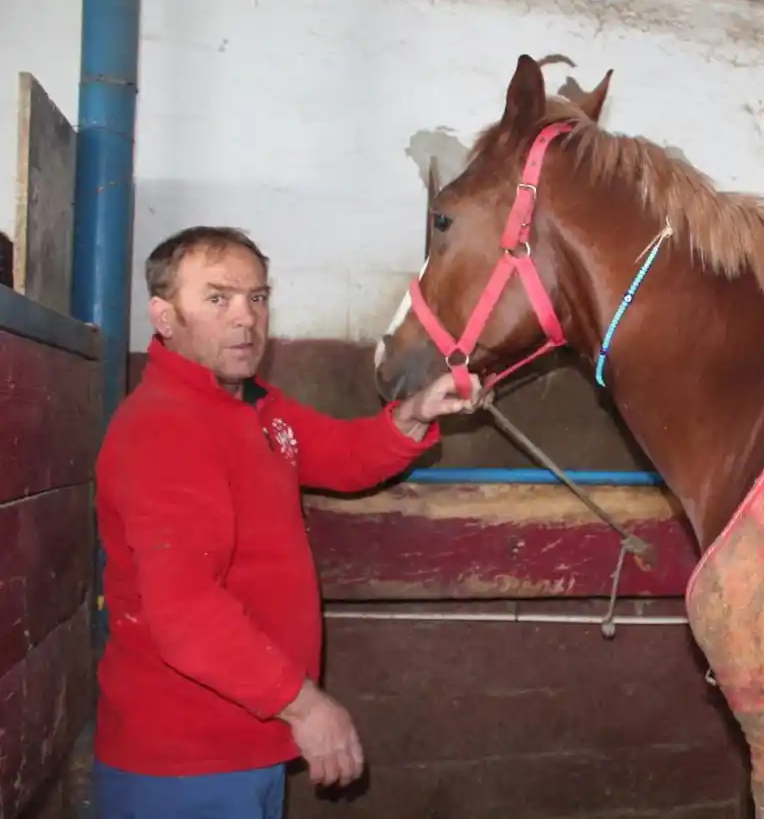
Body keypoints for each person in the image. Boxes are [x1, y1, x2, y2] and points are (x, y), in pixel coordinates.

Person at [90, 226, 482, 818]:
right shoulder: (165, 428)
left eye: (258, 297)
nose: (246, 319)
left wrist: (414, 412)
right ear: (164, 317)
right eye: (217, 299)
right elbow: (185, 612)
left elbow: (343, 455)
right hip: (186, 763)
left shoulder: (254, 406)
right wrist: (305, 706)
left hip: (242, 743)